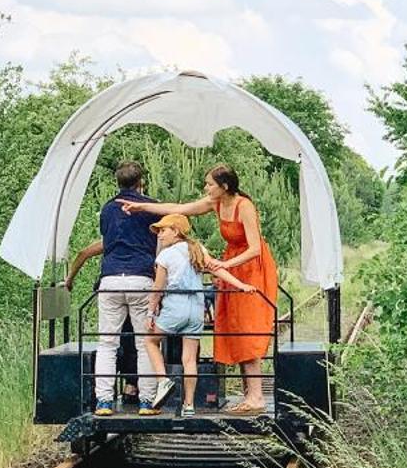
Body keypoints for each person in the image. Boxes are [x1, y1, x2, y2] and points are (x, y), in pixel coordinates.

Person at [122, 164, 279, 414]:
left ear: (224, 186)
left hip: (251, 266)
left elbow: (255, 248)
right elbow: (179, 208)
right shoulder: (215, 203)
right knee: (233, 326)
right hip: (231, 264)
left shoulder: (244, 206)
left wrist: (226, 263)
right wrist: (142, 206)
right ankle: (250, 394)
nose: (206, 188)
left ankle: (257, 396)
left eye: (209, 184)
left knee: (248, 329)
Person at [63, 160, 167, 415]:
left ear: (117, 182)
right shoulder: (152, 207)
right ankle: (146, 402)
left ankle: (104, 402)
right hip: (140, 278)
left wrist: (70, 278)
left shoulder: (108, 209)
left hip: (110, 279)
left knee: (107, 343)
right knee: (145, 343)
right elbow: (161, 241)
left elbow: (106, 242)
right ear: (141, 182)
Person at [140, 213, 254, 417]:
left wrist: (150, 312)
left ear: (176, 231)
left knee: (149, 340)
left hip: (176, 306)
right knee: (190, 359)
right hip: (196, 308)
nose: (159, 235)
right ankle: (189, 405)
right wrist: (241, 285)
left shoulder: (165, 256)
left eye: (163, 230)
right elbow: (217, 269)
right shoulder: (198, 249)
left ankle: (163, 381)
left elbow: (158, 288)